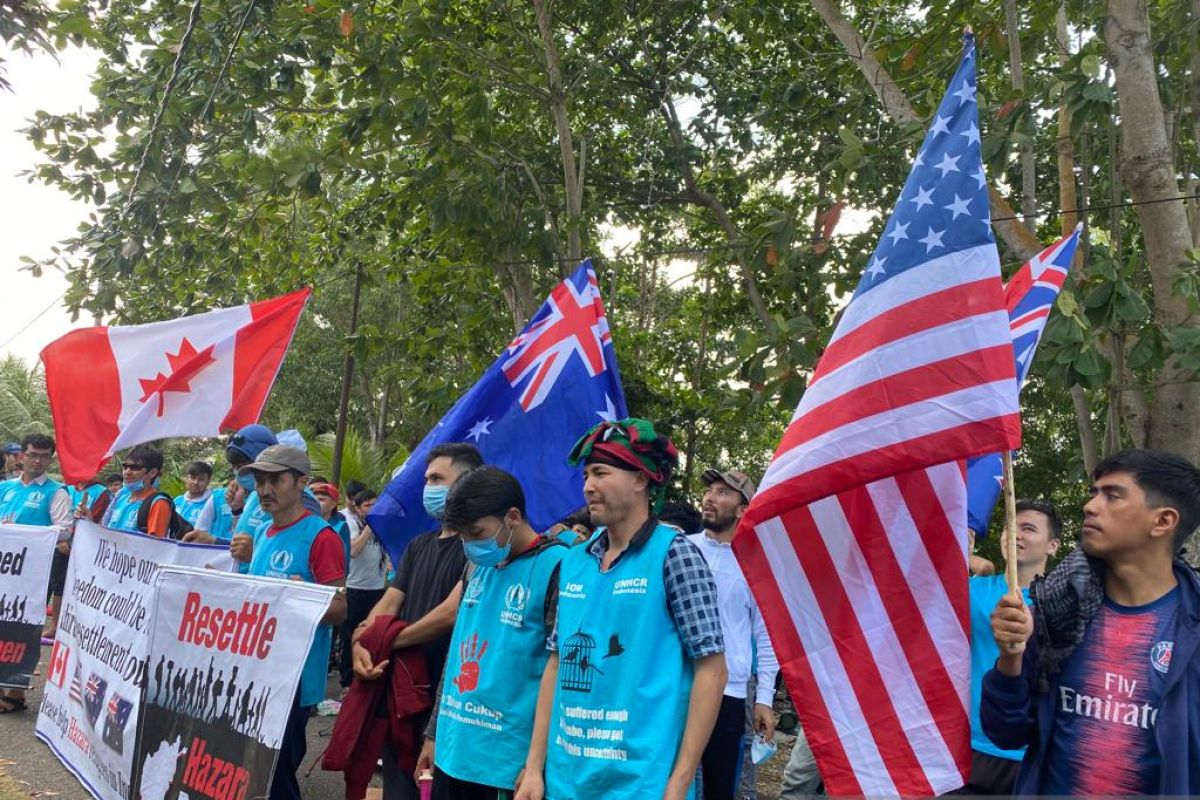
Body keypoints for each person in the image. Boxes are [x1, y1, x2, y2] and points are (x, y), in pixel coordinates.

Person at [515, 418, 726, 800]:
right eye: (585, 476)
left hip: (643, 783)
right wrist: (534, 768)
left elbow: (711, 670)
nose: (587, 486)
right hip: (567, 778)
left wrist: (680, 782)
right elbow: (557, 662)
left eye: (600, 472)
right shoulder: (574, 561)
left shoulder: (676, 557)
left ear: (641, 479)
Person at [983, 449, 1200, 796]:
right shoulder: (1060, 611)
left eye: (1112, 495)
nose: (1090, 506)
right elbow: (1006, 733)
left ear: (1162, 522)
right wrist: (1011, 658)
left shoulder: (1192, 627)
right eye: (1094, 493)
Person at [411, 466, 566, 800]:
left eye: (477, 532)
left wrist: (538, 764)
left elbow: (560, 671)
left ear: (512, 516)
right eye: (463, 536)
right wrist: (434, 734)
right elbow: (457, 651)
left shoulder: (558, 568)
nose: (469, 544)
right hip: (455, 748)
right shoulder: (476, 566)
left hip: (506, 762)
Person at [352, 442, 482, 800]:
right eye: (427, 479)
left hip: (448, 695)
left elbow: (450, 613)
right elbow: (390, 602)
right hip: (400, 693)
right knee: (399, 789)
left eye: (438, 478)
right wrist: (361, 642)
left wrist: (387, 641)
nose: (429, 487)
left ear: (467, 484)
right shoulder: (418, 545)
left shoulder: (481, 548)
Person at [231, 444, 347, 800]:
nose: (265, 489)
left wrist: (306, 597)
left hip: (294, 679)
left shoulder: (321, 537)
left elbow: (340, 610)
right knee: (251, 768)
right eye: (260, 480)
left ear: (301, 483)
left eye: (276, 480)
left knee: (278, 776)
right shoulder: (264, 533)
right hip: (258, 669)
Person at [689, 469, 778, 800]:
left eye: (724, 492)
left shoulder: (757, 563)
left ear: (743, 508)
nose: (711, 497)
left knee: (720, 785)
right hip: (679, 683)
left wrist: (765, 699)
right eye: (710, 490)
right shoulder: (682, 549)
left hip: (729, 692)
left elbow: (767, 634)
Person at [961, 500, 1060, 795]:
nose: (1015, 535)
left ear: (1053, 545)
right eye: (1010, 527)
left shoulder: (1069, 604)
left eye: (1028, 529)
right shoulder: (967, 589)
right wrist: (956, 556)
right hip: (966, 746)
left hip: (1034, 754)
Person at [0, 433, 72, 713]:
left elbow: (65, 528)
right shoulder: (6, 488)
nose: (37, 460)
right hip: (5, 571)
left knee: (23, 630)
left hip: (32, 576)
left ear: (50, 459)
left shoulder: (56, 492)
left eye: (44, 456)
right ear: (22, 456)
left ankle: (15, 692)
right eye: (32, 455)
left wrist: (27, 534)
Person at [339, 488, 387, 691]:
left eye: (376, 504)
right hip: (355, 587)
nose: (373, 509)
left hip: (377, 587)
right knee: (350, 635)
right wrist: (370, 527)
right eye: (368, 505)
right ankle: (347, 682)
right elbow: (355, 551)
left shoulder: (382, 527)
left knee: (370, 634)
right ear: (357, 508)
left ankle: (367, 674)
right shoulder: (351, 523)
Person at [101, 444, 174, 537]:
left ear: (153, 472)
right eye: (125, 466)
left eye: (135, 468)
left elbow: (155, 547)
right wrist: (87, 518)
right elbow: (104, 531)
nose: (127, 472)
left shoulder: (159, 504)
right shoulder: (121, 496)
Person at [173, 461, 217, 532]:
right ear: (187, 478)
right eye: (193, 478)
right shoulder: (177, 501)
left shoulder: (212, 503)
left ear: (208, 481)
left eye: (201, 479)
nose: (196, 482)